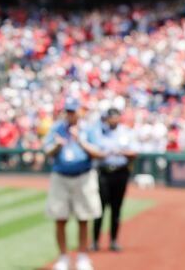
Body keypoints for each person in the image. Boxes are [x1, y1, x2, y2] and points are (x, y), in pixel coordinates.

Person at [43, 99, 105, 270]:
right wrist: (57, 145)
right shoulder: (57, 128)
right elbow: (47, 150)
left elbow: (99, 153)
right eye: (68, 111)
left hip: (83, 176)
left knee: (84, 218)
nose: (71, 114)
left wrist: (80, 141)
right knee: (60, 218)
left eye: (73, 111)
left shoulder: (88, 128)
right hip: (61, 176)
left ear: (80, 112)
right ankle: (63, 257)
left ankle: (82, 257)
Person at [91, 108, 137, 252]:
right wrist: (105, 153)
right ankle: (95, 241)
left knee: (116, 209)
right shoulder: (99, 132)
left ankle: (113, 240)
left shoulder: (126, 132)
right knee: (99, 208)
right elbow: (94, 151)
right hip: (104, 172)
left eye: (116, 117)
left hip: (120, 172)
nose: (113, 120)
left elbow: (134, 152)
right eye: (111, 117)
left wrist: (121, 152)